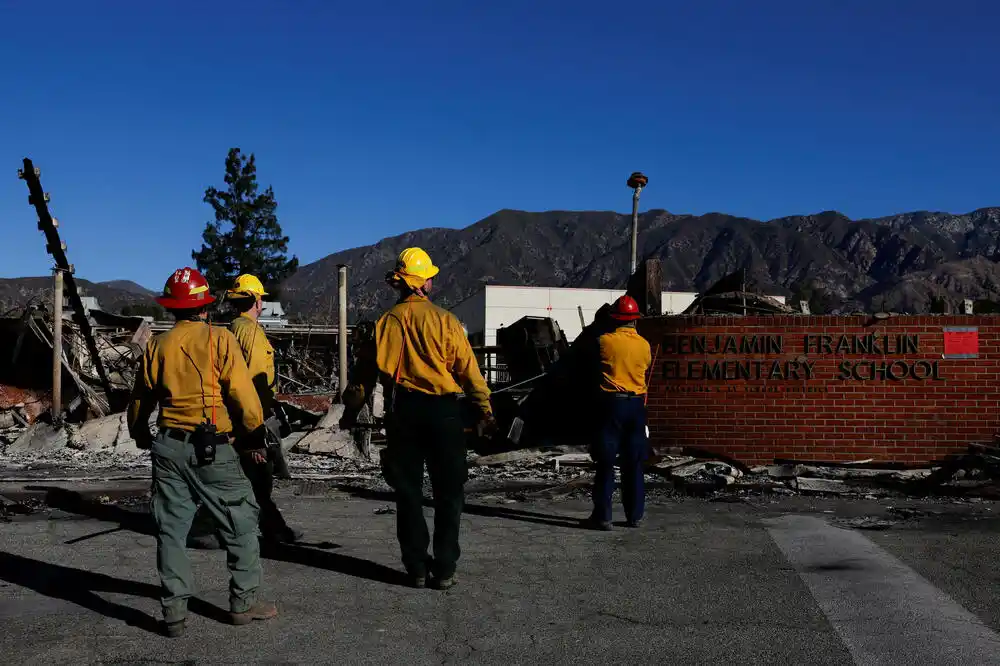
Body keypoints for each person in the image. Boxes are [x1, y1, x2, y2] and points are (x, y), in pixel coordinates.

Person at [127, 266, 277, 637]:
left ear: (171, 308)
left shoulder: (157, 346)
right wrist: (254, 437)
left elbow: (140, 401)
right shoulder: (220, 339)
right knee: (241, 521)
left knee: (171, 531)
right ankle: (243, 603)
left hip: (168, 446)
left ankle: (174, 613)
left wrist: (140, 434)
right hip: (213, 448)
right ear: (205, 304)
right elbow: (245, 398)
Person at [343, 247, 495, 590]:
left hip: (403, 415)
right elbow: (470, 373)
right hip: (444, 413)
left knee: (408, 494)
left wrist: (350, 412)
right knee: (449, 494)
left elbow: (362, 380)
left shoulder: (384, 324)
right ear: (423, 283)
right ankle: (444, 568)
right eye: (430, 277)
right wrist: (484, 410)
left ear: (400, 284)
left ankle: (416, 567)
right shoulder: (446, 321)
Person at [583, 295, 652, 531]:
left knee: (605, 462)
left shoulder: (603, 341)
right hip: (636, 406)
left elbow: (590, 370)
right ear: (635, 320)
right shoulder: (645, 345)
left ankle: (603, 516)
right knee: (633, 463)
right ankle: (635, 515)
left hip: (611, 405)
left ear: (615, 319)